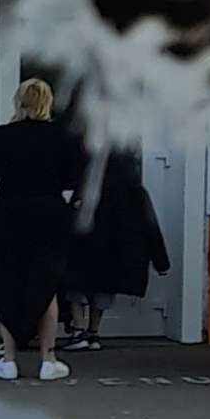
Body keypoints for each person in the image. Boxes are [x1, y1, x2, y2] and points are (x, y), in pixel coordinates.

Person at [0, 75, 80, 382]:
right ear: (48, 102)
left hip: (10, 215)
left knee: (8, 285)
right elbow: (76, 179)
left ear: (18, 101)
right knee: (46, 285)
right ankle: (48, 358)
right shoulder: (62, 136)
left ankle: (8, 359)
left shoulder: (1, 136)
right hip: (49, 215)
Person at [61, 145, 170, 349]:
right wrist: (161, 261)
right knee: (104, 289)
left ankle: (78, 330)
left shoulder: (86, 185)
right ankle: (94, 332)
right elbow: (150, 226)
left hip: (83, 245)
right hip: (114, 249)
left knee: (75, 287)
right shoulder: (133, 188)